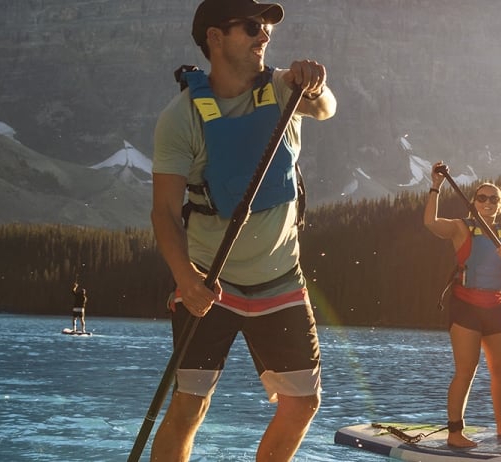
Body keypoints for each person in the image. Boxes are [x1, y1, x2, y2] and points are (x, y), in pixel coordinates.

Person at [148, 0, 335, 460]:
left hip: (281, 282)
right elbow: (164, 214)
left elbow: (325, 108)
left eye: (267, 26)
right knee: (190, 405)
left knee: (302, 403)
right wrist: (186, 279)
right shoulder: (181, 117)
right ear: (215, 37)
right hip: (212, 283)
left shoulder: (283, 89)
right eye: (251, 26)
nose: (264, 35)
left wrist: (314, 83)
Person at [423, 162, 501, 448]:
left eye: (493, 198)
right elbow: (430, 223)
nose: (487, 202)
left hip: (496, 308)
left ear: (500, 205)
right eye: (482, 197)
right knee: (466, 370)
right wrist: (436, 186)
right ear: (473, 202)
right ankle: (455, 432)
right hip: (466, 308)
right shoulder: (461, 228)